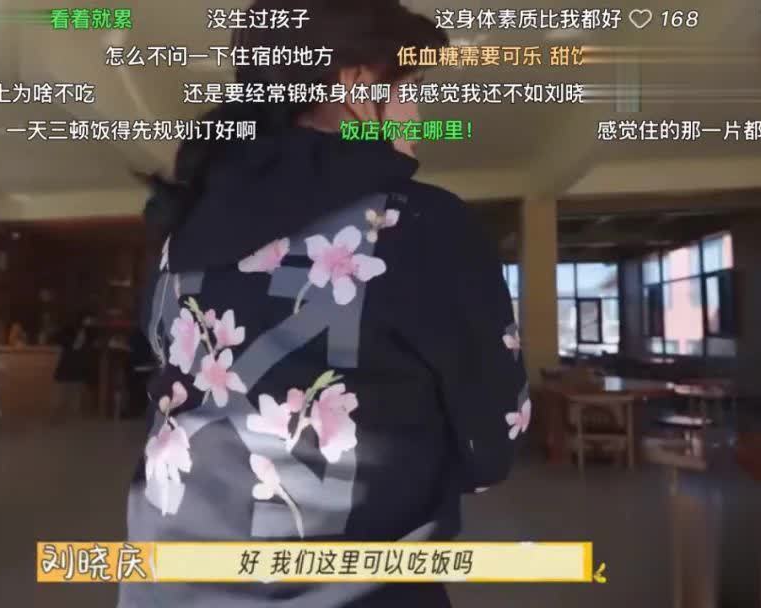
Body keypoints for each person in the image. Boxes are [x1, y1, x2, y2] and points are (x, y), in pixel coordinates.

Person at [122, 1, 528, 606]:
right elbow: (491, 440)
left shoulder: (180, 226)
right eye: (411, 88)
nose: (417, 113)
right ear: (358, 84)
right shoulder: (422, 222)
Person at [52, 311, 99, 419]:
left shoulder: (89, 334)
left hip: (76, 370)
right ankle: (58, 417)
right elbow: (58, 339)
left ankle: (69, 418)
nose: (89, 323)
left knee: (73, 399)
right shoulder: (69, 331)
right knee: (61, 398)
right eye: (88, 320)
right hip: (67, 369)